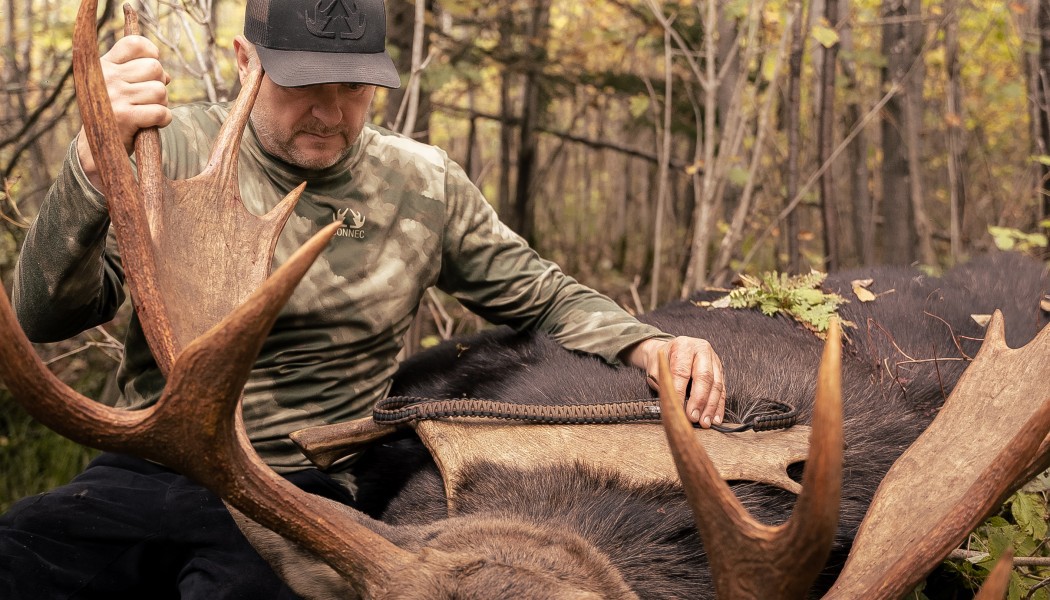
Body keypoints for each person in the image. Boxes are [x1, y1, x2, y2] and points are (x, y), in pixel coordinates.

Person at [0, 0, 726, 596]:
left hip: (299, 493)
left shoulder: (421, 184)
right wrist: (94, 166)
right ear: (244, 61)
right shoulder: (169, 148)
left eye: (353, 88)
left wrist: (646, 342)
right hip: (147, 466)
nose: (331, 113)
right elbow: (47, 314)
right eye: (304, 85)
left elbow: (540, 293)